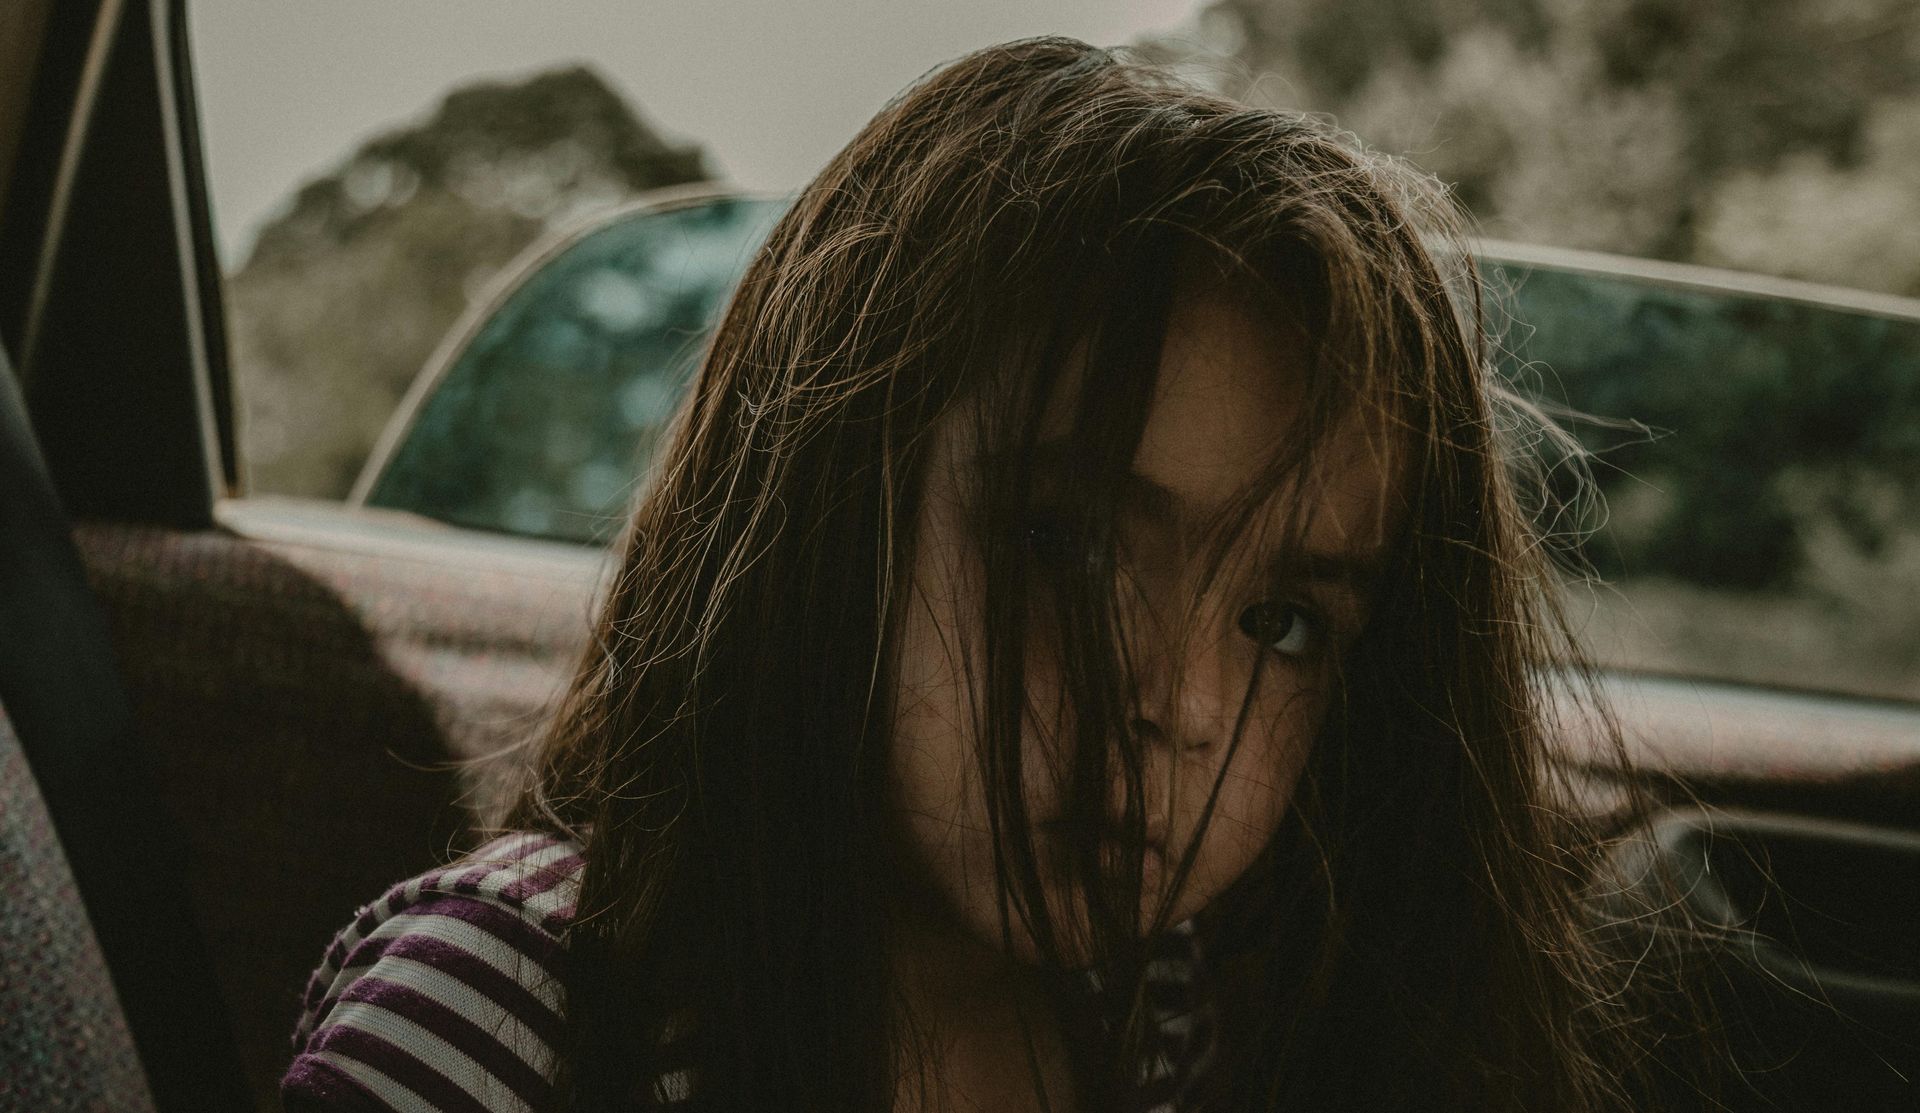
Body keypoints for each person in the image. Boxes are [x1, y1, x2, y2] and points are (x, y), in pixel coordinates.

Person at [283, 36, 1695, 1113]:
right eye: (1065, 548)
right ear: (837, 517)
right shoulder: (507, 1023)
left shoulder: (1177, 1023)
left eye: (1284, 621)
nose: (1182, 702)